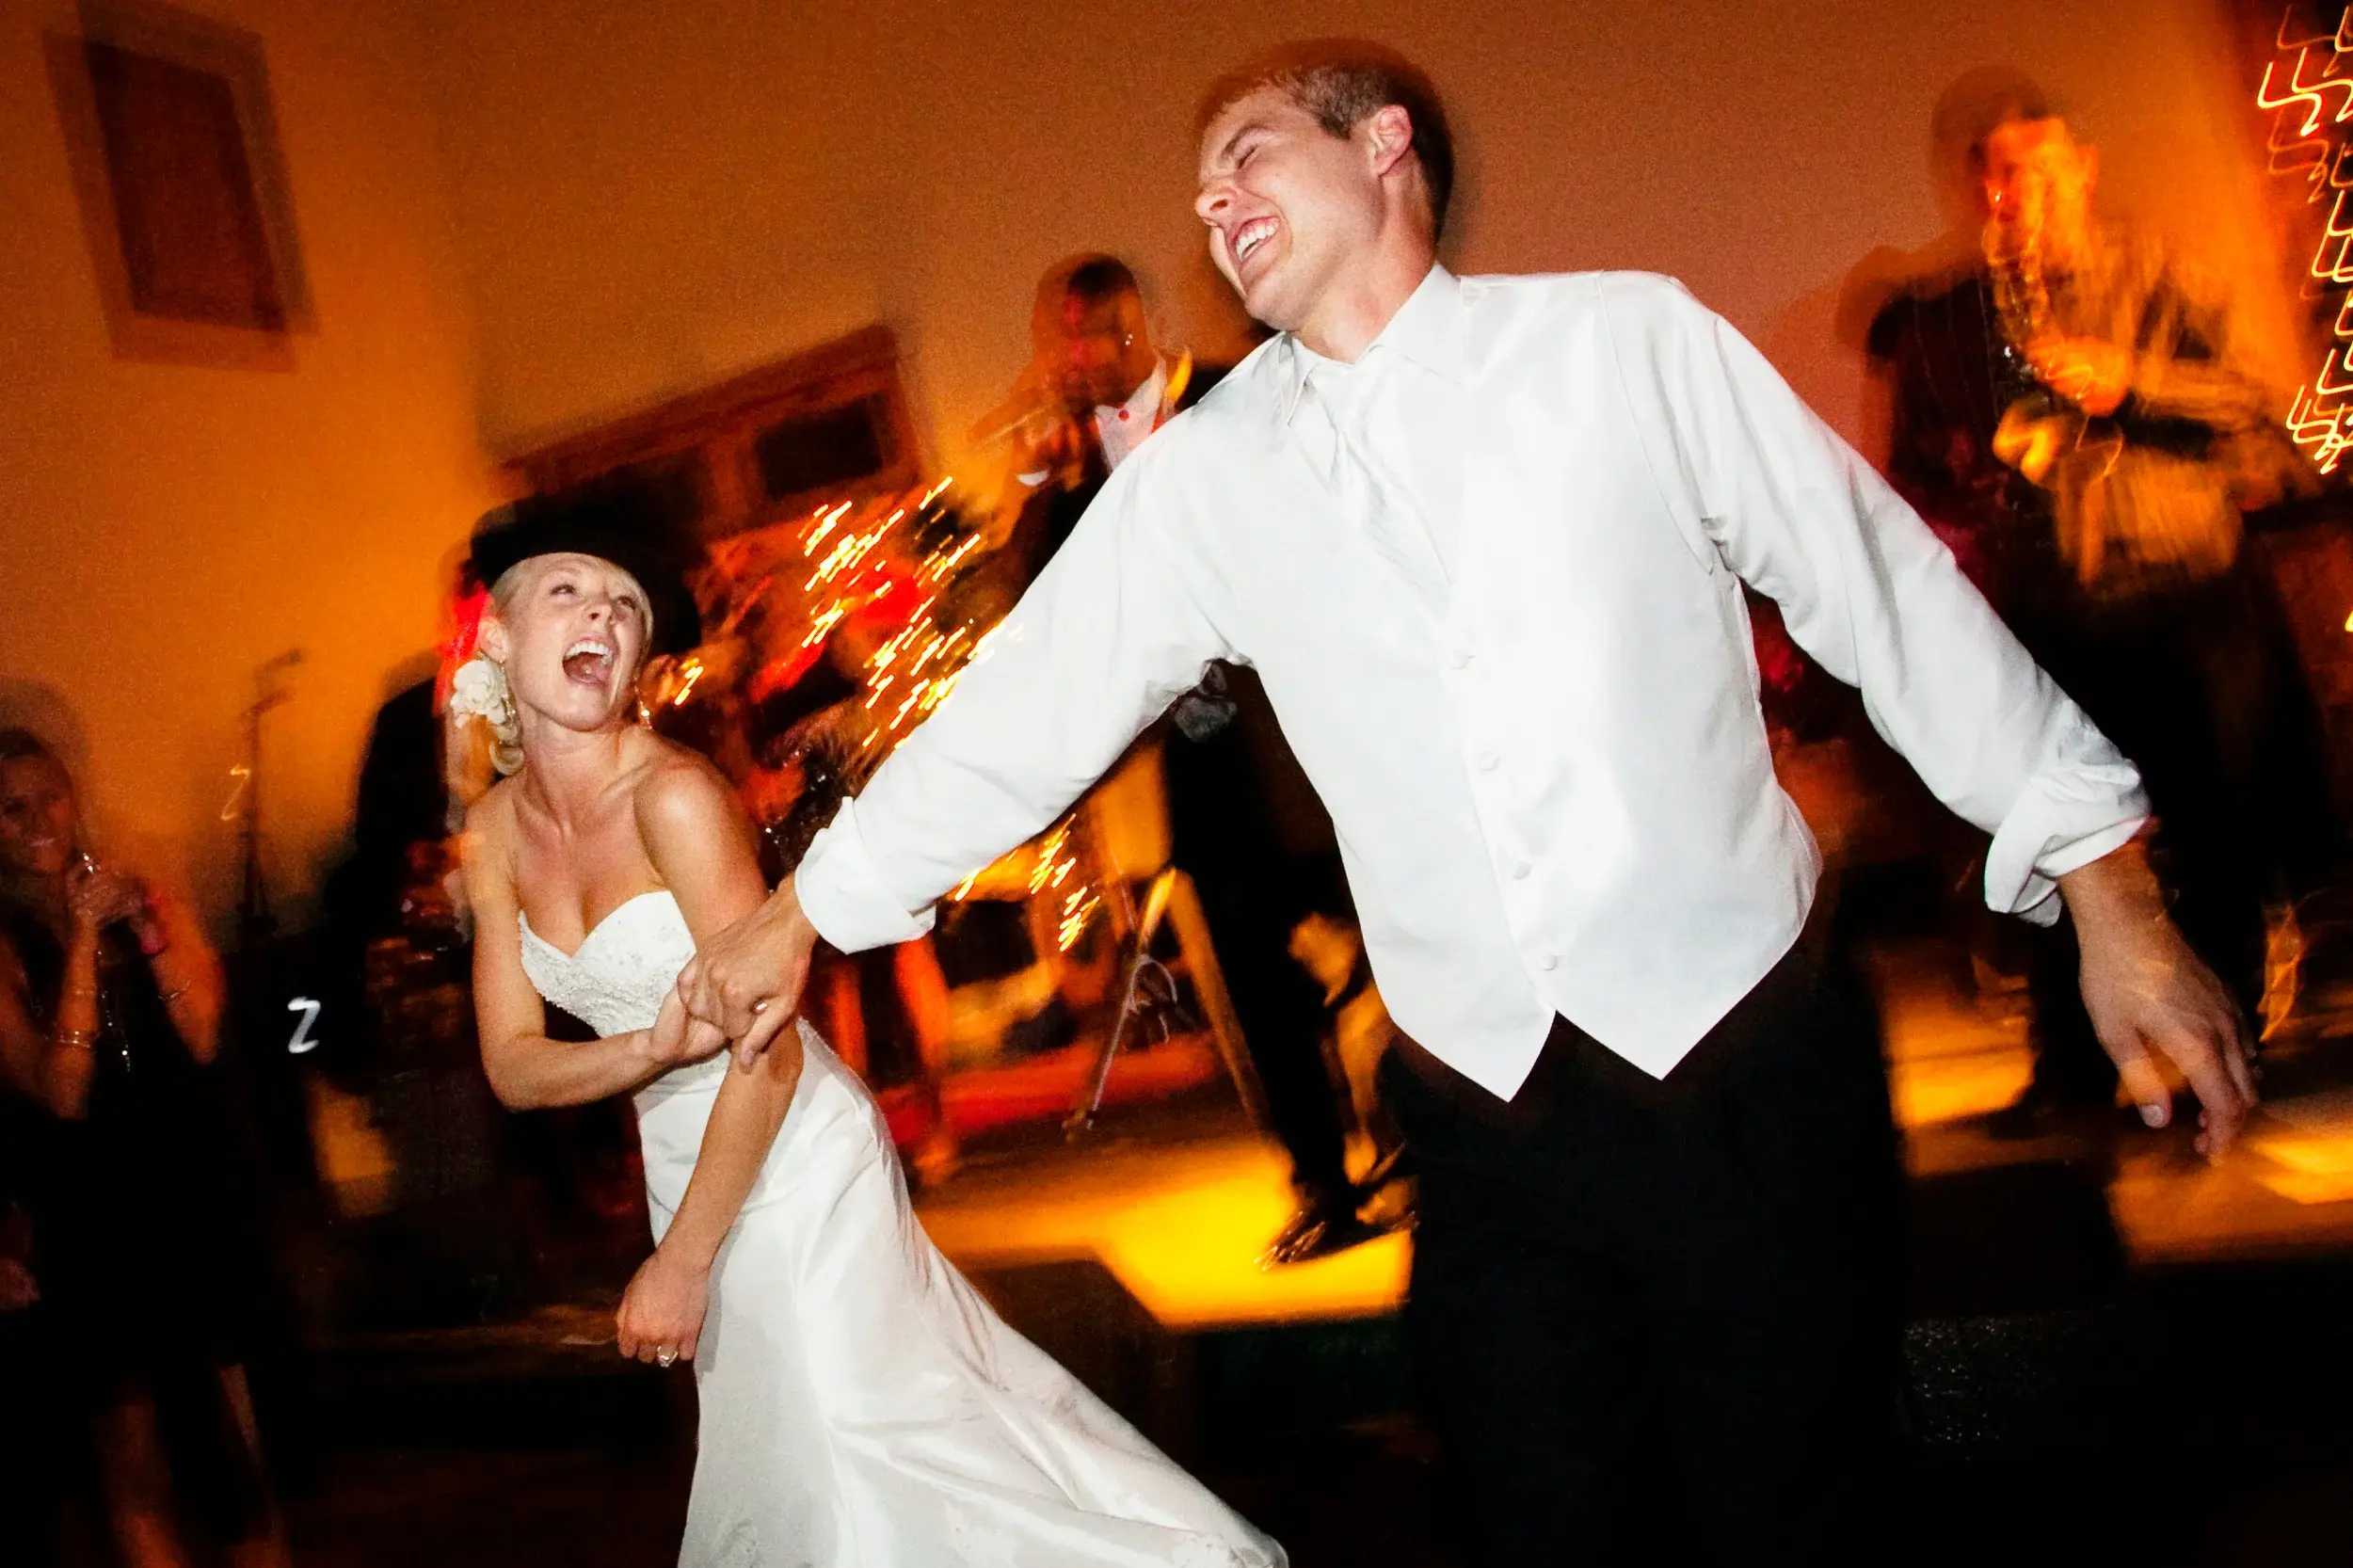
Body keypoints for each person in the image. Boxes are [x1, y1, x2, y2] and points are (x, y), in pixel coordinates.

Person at [677, 40, 2257, 1563]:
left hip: (1752, 1082)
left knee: (1797, 1518)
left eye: (1250, 154)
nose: (1214, 203)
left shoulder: (1624, 343)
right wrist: (805, 911)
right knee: (1540, 1526)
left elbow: (1887, 596)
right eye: (1198, 183)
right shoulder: (1202, 480)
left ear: (1385, 152)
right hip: (1487, 1135)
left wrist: (2113, 899)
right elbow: (1018, 718)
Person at [452, 493, 1285, 1566]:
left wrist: (685, 1262)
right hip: (680, 1157)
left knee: (850, 1452)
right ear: (501, 635)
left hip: (790, 1148)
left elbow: (774, 1047)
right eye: (567, 592)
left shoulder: (674, 798)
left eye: (623, 606)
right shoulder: (489, 835)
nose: (603, 619)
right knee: (831, 1442)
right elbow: (514, 1067)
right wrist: (650, 1054)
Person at [1866, 88, 2328, 1127]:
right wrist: (1963, 472)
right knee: (2059, 842)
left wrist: (2129, 382)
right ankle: (2071, 1076)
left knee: (2213, 839)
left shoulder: (2163, 273)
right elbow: (1915, 479)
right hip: (2054, 614)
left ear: (2081, 170)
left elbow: (2252, 402)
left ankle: (2227, 1058)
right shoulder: (1957, 314)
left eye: (2032, 167)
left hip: (2185, 597)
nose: (2009, 190)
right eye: (1993, 171)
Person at [994, 253, 1385, 1262]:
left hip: (1322, 736)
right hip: (1211, 771)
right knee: (1257, 992)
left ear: (1141, 321)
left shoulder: (1232, 400)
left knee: (1404, 941)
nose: (1081, 356)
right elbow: (1040, 609)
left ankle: (1453, 1140)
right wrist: (1038, 476)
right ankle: (1325, 1188)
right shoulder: (1072, 472)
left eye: (1098, 330)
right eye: (1064, 339)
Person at [0, 728, 288, 1568]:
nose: (38, 820)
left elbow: (200, 1036)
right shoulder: (7, 946)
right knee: (135, 1464)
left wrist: (149, 930)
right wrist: (85, 942)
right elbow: (60, 1088)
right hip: (90, 1218)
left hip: (189, 1195)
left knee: (240, 1444)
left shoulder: (146, 890)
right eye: (11, 809)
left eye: (49, 796)